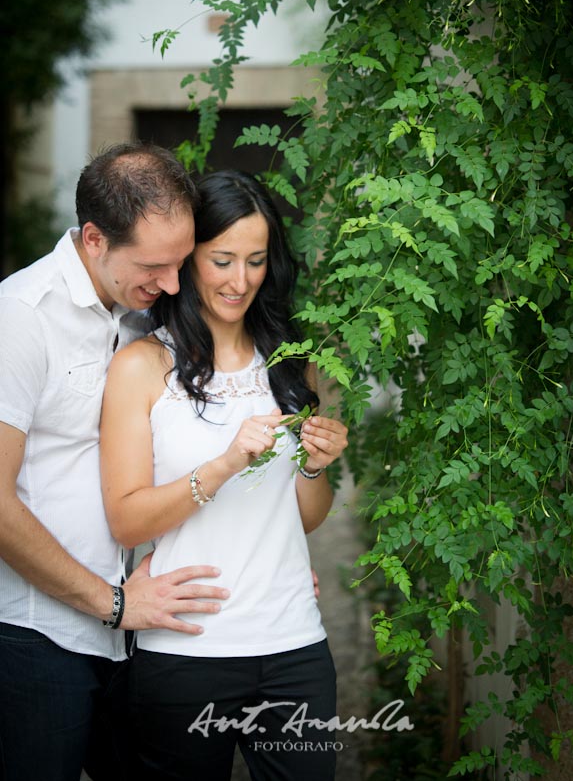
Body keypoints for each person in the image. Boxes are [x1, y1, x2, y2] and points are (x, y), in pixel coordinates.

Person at [100, 169, 349, 781]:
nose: (241, 280)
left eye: (257, 260)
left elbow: (307, 518)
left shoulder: (294, 364)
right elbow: (126, 520)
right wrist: (224, 464)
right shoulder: (140, 367)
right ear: (188, 261)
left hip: (294, 644)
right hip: (187, 650)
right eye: (223, 260)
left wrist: (316, 466)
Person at [0, 143, 230, 781]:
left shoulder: (145, 313)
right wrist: (112, 603)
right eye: (156, 265)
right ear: (95, 238)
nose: (175, 284)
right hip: (37, 635)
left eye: (182, 263)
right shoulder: (20, 316)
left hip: (136, 630)